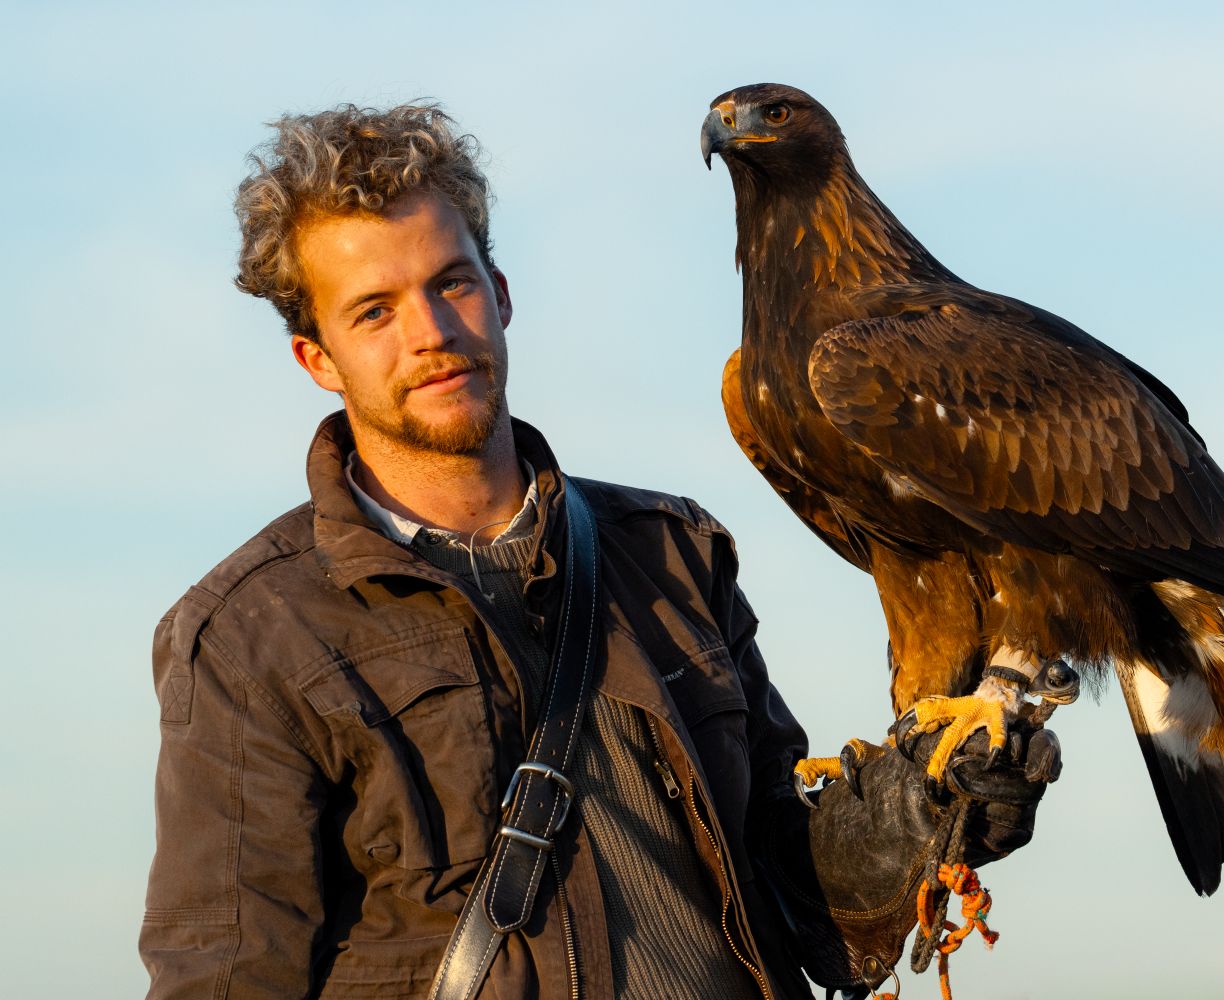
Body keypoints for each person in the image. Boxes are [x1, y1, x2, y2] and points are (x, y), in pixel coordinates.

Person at [139, 102, 1053, 1000]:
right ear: (318, 359)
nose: (431, 332)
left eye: (450, 283)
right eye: (374, 312)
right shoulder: (252, 635)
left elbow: (793, 886)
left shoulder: (669, 554)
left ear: (499, 296)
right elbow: (224, 976)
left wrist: (916, 815)